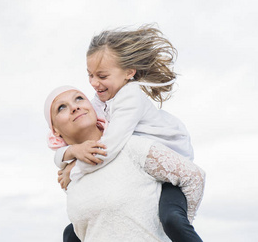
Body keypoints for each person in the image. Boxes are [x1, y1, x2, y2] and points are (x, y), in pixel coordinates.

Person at [48, 25, 204, 241]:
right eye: (90, 75)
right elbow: (65, 151)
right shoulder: (103, 96)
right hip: (126, 161)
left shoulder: (130, 97)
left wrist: (75, 169)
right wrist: (72, 153)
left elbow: (109, 148)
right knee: (70, 233)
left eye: (101, 75)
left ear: (129, 72)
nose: (94, 83)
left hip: (169, 163)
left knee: (173, 220)